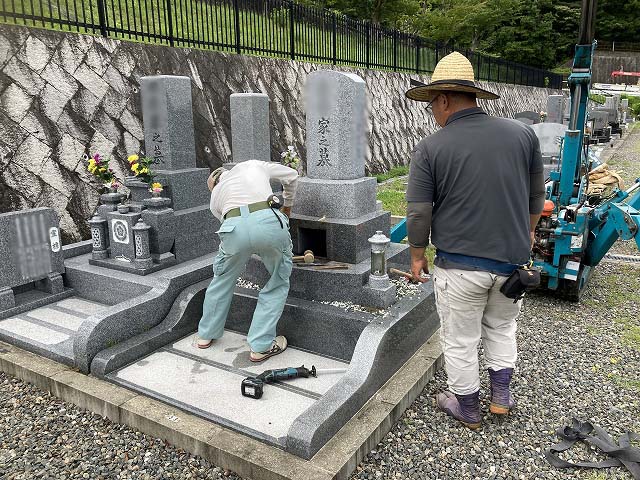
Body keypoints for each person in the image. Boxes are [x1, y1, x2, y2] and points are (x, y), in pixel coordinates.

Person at [404, 52, 545, 428]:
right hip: (511, 264)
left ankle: (466, 407)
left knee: (460, 339)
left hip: (460, 267)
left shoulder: (432, 147)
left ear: (445, 99)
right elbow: (536, 199)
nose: (433, 111)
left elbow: (419, 212)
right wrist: (528, 232)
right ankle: (500, 396)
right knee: (501, 328)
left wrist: (417, 255)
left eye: (432, 103)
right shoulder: (522, 135)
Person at [197, 160, 298, 363]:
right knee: (278, 279)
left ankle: (206, 335)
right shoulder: (254, 165)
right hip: (268, 222)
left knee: (222, 279)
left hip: (233, 229)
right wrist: (287, 205)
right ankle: (261, 346)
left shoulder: (216, 195)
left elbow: (223, 219)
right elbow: (292, 175)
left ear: (214, 185)